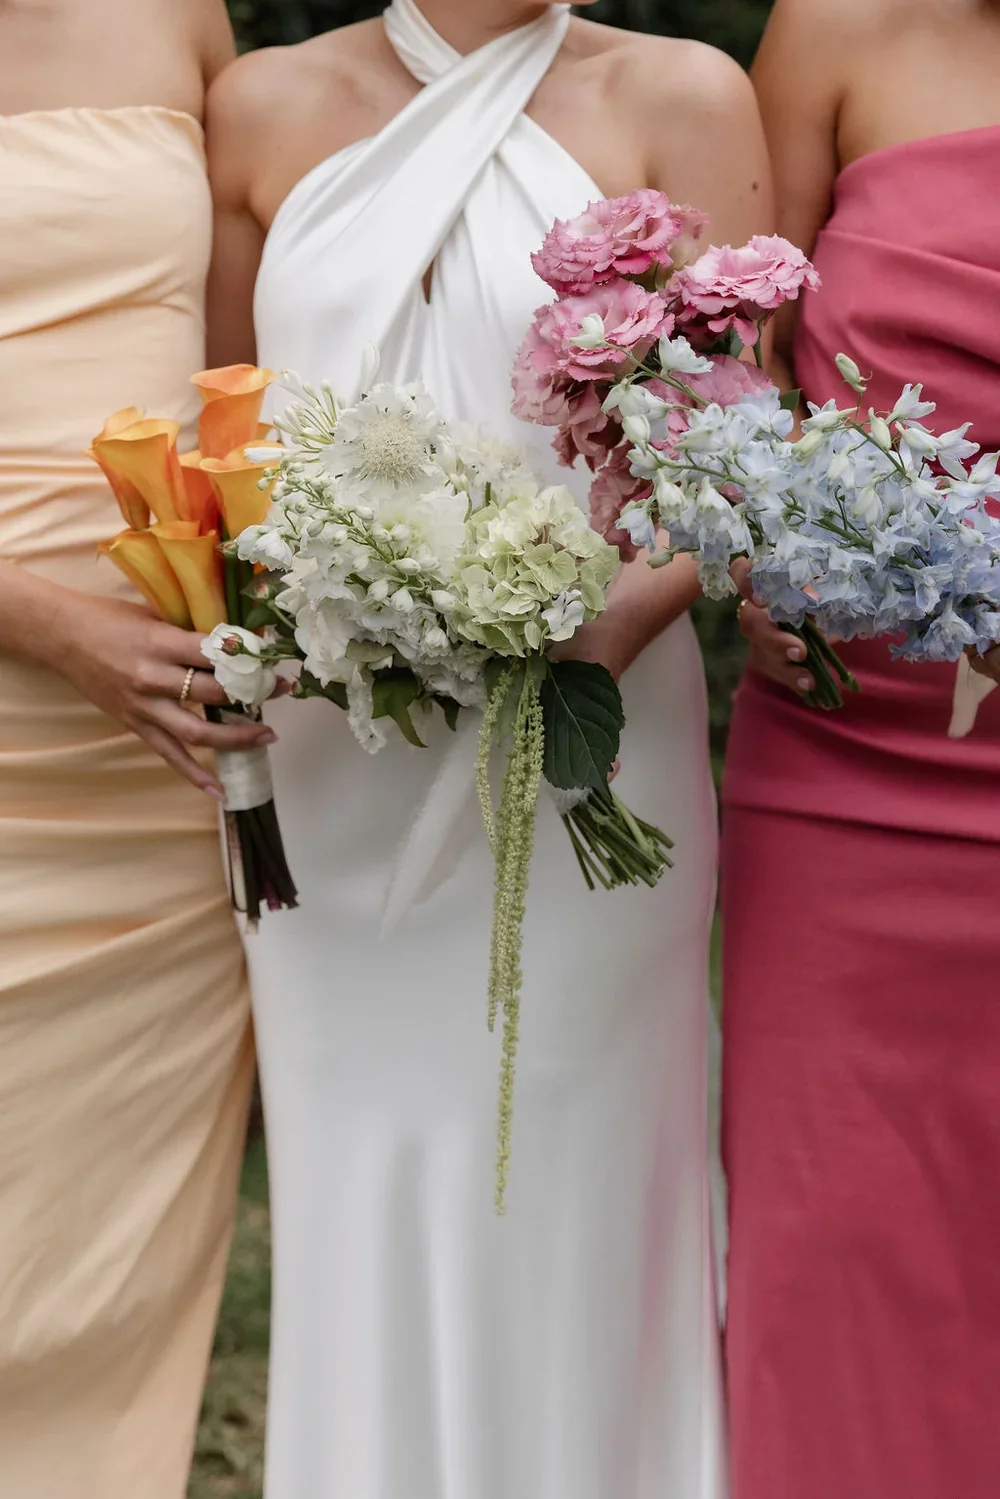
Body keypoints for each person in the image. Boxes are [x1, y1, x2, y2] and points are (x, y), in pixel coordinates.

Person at [207, 1, 771, 1493]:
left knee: (583, 1171)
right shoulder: (258, 106)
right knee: (360, 1176)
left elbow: (736, 452)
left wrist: (594, 633)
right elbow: (220, 444)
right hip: (337, 766)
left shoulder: (687, 94)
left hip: (597, 734)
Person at [722, 2, 1000, 1496]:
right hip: (843, 777)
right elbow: (732, 367)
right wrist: (760, 557)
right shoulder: (833, 31)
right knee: (836, 1247)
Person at [0, 2, 270, 1493]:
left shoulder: (175, 12)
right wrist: (53, 627)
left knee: (102, 1265)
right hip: (35, 692)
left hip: (157, 756)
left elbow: (241, 368)